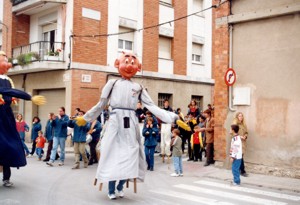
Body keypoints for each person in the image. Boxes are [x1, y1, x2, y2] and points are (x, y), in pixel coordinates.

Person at [75, 51, 177, 200]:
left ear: (138, 67)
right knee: (111, 156)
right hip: (115, 123)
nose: (129, 65)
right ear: (118, 64)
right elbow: (101, 104)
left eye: (133, 63)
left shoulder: (138, 87)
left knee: (131, 157)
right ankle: (111, 189)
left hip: (131, 125)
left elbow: (152, 106)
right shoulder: (112, 83)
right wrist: (86, 118)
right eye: (126, 61)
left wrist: (172, 117)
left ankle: (120, 186)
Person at [0, 50, 46, 187]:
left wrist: (16, 99)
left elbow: (11, 93)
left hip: (6, 115)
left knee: (10, 145)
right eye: (4, 59)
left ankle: (6, 178)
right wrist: (29, 97)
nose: (8, 63)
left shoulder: (7, 79)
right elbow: (6, 91)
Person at [232, 112, 249, 177]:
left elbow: (247, 132)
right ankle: (242, 171)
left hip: (243, 143)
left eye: (242, 116)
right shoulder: (235, 125)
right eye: (239, 116)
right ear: (237, 117)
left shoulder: (244, 124)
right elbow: (232, 133)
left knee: (240, 156)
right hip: (237, 143)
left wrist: (245, 136)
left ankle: (238, 169)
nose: (241, 117)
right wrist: (240, 137)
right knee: (239, 156)